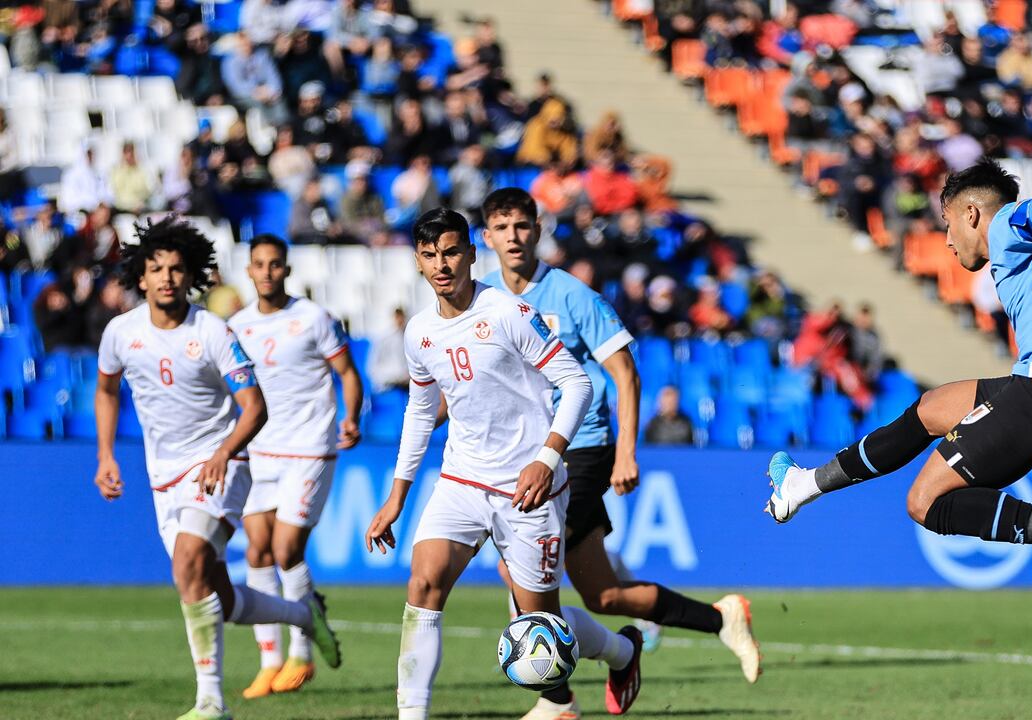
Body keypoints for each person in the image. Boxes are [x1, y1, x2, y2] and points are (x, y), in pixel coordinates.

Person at [766, 135, 1032, 617]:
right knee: (932, 408)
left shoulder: (1009, 229)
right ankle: (805, 484)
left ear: (971, 214)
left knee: (925, 503)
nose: (946, 240)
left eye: (947, 224)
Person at [479, 189, 760, 719]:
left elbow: (624, 373)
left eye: (522, 225)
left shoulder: (572, 295)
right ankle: (721, 619)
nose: (513, 236)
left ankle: (555, 698)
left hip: (582, 447)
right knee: (603, 596)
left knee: (518, 568)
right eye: (502, 227)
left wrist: (625, 452)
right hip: (525, 452)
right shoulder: (485, 298)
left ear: (538, 230)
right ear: (486, 237)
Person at [364, 209, 643, 720]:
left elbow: (577, 383)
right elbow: (420, 415)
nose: (441, 265)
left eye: (451, 252)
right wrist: (396, 497)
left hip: (528, 487)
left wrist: (547, 457)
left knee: (539, 621)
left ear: (471, 253)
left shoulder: (509, 312)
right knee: (423, 586)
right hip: (461, 481)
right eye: (430, 256)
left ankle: (622, 652)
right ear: (419, 263)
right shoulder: (420, 332)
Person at [94, 216, 340, 720]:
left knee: (187, 561)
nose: (166, 278)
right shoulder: (121, 333)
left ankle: (210, 700)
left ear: (192, 277)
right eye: (156, 269)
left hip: (222, 464)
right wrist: (105, 455)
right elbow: (105, 389)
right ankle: (302, 614)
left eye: (176, 269)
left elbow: (255, 407)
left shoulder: (212, 331)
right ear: (140, 277)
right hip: (163, 476)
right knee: (213, 595)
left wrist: (224, 453)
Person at [228, 235, 365, 699]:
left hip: (309, 446)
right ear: (248, 271)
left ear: (286, 270)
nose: (267, 272)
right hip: (260, 451)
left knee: (287, 550)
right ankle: (270, 660)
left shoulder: (313, 318)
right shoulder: (237, 325)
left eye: (275, 265)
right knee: (257, 554)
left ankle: (301, 652)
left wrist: (351, 414)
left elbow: (347, 372)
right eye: (259, 264)